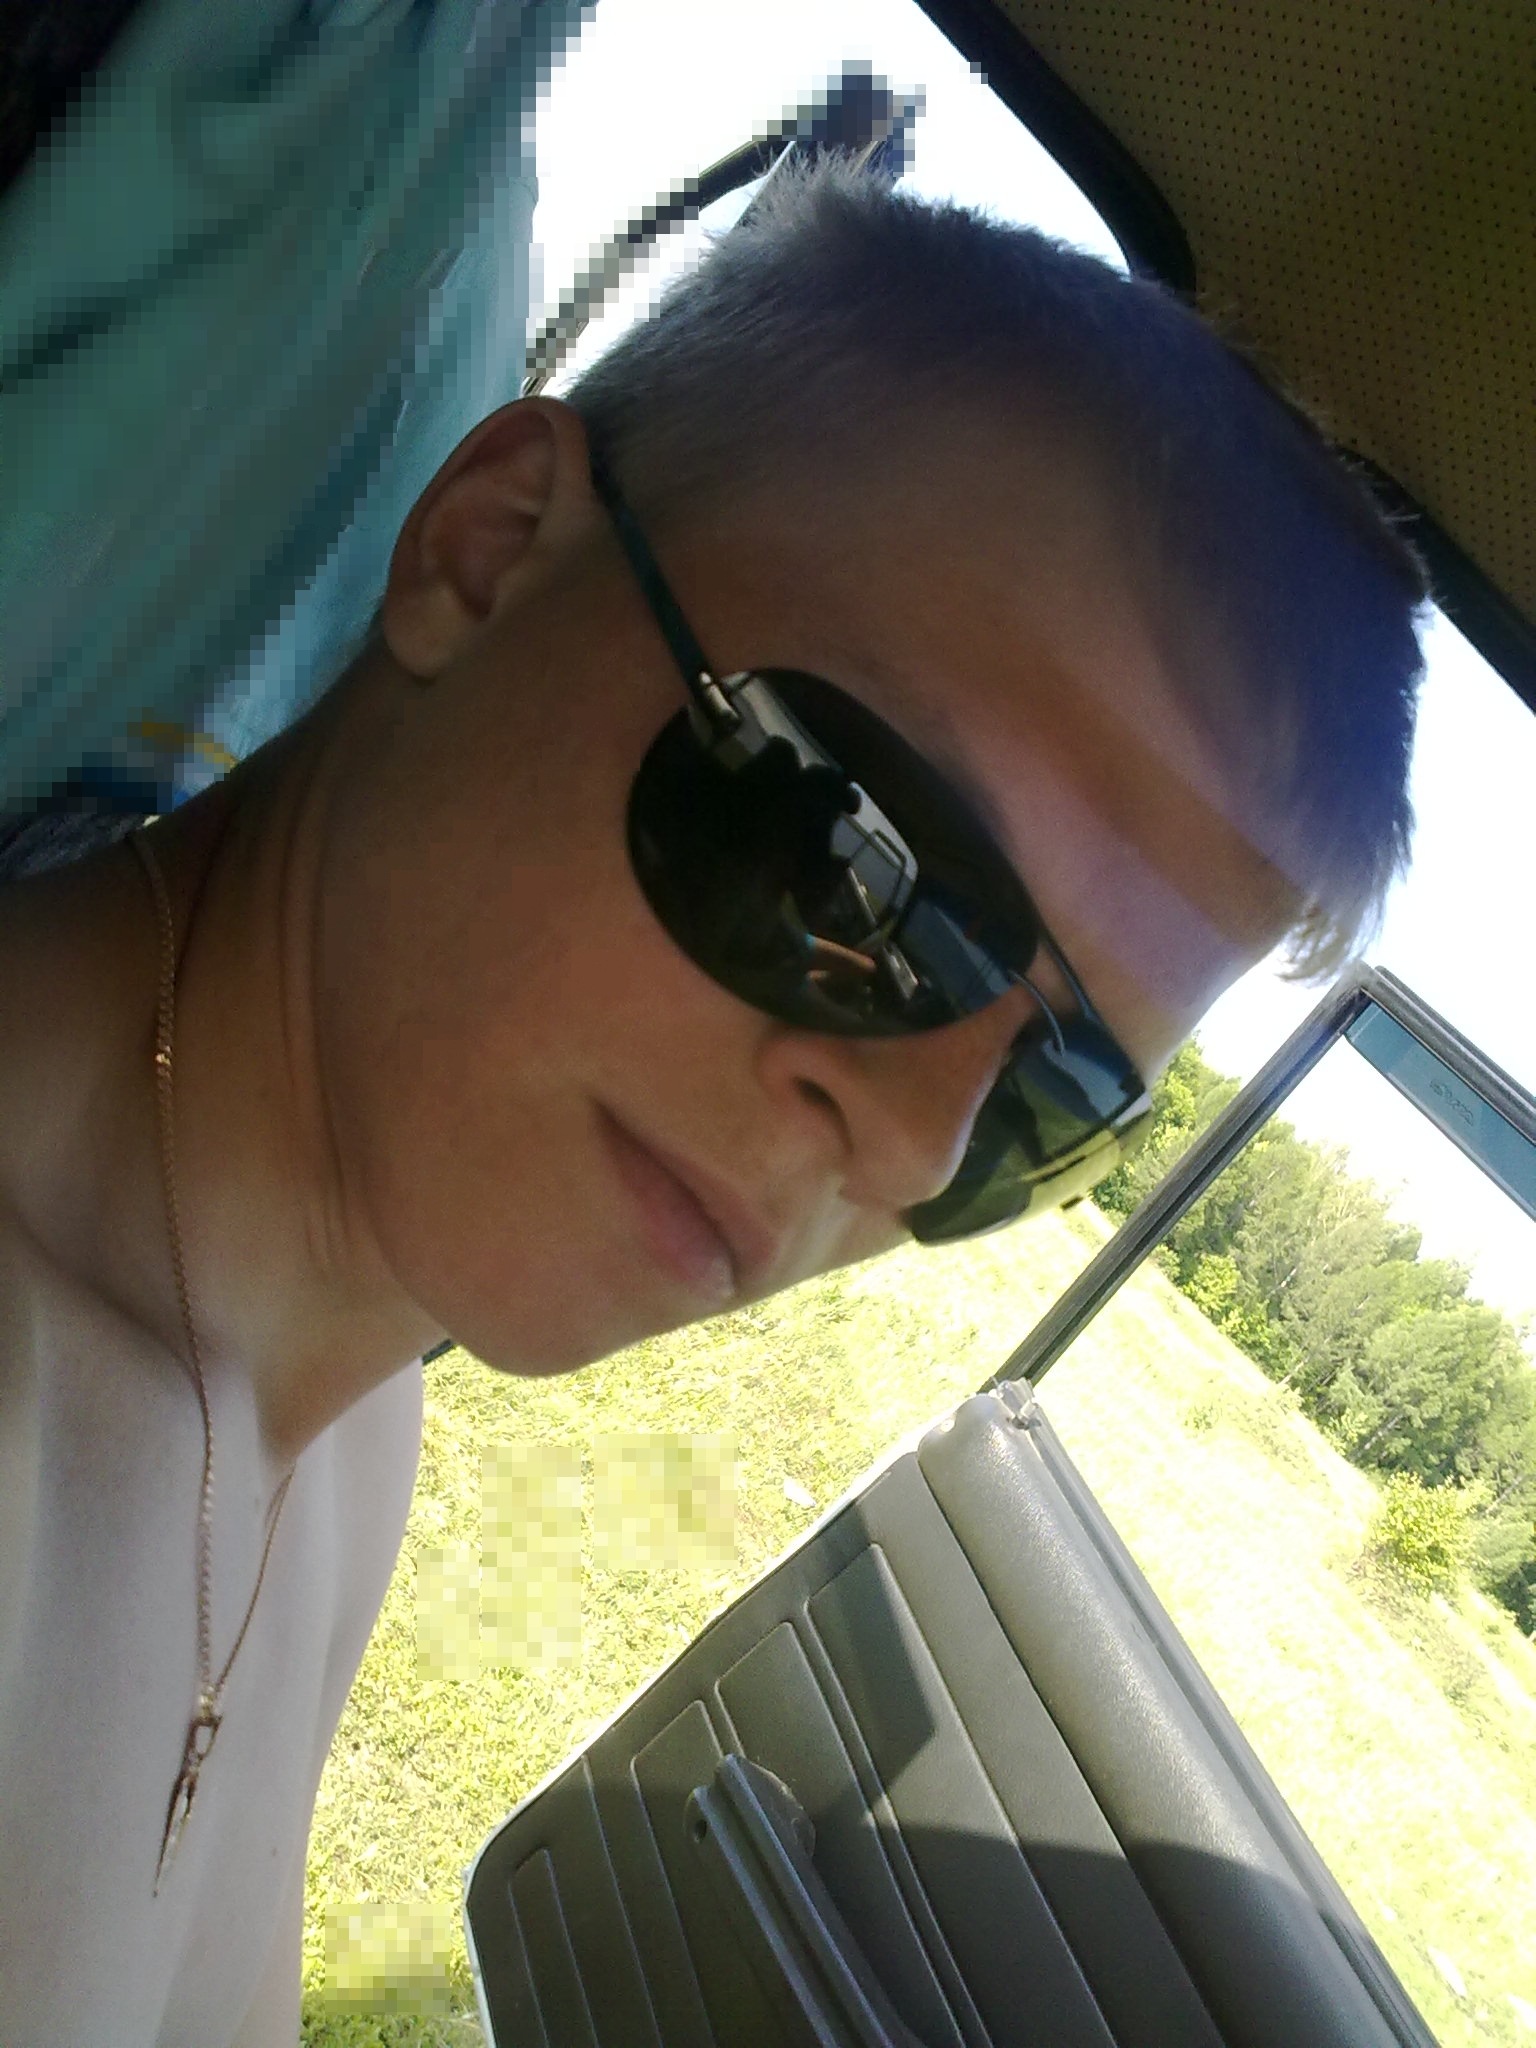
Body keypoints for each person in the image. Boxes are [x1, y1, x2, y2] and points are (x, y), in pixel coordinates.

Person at [0, 158, 1426, 2044]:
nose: (912, 1148)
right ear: (488, 551)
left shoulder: (340, 1434)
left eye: (1048, 1094)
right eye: (863, 866)